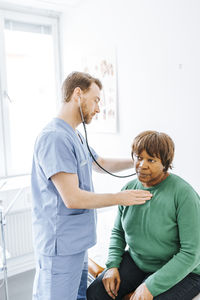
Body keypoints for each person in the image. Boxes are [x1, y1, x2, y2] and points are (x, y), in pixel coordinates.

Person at [31, 72, 152, 300]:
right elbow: (72, 198)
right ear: (78, 94)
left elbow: (101, 163)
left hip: (76, 243)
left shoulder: (74, 135)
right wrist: (120, 197)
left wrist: (138, 161)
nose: (98, 108)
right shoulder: (55, 137)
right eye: (96, 100)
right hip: (60, 248)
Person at [87, 130, 200, 300]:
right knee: (95, 293)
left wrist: (150, 286)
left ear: (165, 163)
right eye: (138, 158)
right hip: (139, 262)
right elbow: (118, 232)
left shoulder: (184, 195)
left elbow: (191, 253)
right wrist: (112, 265)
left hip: (185, 271)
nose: (141, 165)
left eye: (151, 160)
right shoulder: (128, 188)